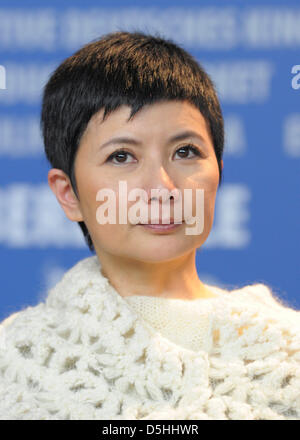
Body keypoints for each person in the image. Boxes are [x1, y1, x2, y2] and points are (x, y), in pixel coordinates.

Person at [0, 30, 299, 421]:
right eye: (122, 156)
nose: (162, 187)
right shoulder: (14, 361)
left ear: (219, 175)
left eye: (185, 152)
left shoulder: (289, 350)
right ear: (68, 193)